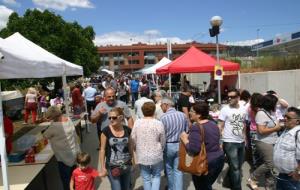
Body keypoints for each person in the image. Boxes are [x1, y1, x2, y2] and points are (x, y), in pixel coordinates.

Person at [180, 102, 224, 190]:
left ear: (199, 115)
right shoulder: (213, 124)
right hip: (219, 159)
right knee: (207, 185)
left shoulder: (196, 127)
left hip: (205, 162)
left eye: (192, 111)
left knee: (202, 187)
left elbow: (193, 149)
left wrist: (184, 139)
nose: (189, 112)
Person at [247, 94, 283, 190]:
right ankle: (252, 178)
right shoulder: (261, 113)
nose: (276, 105)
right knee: (270, 163)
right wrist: (276, 128)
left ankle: (269, 185)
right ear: (270, 103)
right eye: (275, 103)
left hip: (272, 140)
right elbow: (261, 130)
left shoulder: (270, 112)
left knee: (271, 164)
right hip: (264, 141)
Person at [43, 106, 81, 190]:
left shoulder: (54, 126)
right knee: (74, 178)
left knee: (66, 181)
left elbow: (45, 135)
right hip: (74, 153)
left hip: (63, 157)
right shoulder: (68, 120)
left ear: (52, 117)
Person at [131, 102, 166, 190]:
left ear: (142, 111)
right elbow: (163, 139)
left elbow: (133, 137)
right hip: (156, 153)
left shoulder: (137, 123)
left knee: (146, 177)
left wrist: (135, 148)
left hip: (142, 153)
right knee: (156, 176)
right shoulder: (158, 123)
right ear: (154, 110)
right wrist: (161, 148)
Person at [218, 88, 247, 190]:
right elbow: (220, 125)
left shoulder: (243, 109)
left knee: (238, 166)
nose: (229, 98)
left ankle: (229, 182)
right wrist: (220, 142)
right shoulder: (225, 109)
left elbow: (243, 123)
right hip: (229, 141)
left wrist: (245, 137)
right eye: (228, 97)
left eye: (232, 97)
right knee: (235, 167)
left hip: (241, 141)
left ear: (238, 98)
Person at [99, 107, 133, 190]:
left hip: (126, 165)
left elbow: (130, 146)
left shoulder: (128, 130)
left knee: (126, 187)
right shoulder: (105, 131)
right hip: (112, 166)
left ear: (121, 117)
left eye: (113, 117)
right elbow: (102, 149)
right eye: (109, 117)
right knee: (117, 188)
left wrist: (133, 161)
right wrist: (102, 167)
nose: (111, 119)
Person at [160, 97, 189, 190]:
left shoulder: (163, 118)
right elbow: (186, 131)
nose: (160, 107)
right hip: (180, 144)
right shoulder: (183, 115)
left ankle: (171, 188)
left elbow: (161, 134)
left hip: (168, 145)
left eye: (161, 105)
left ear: (166, 105)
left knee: (169, 169)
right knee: (178, 170)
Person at [273, 107, 300, 190]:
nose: (285, 119)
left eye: (288, 118)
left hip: (292, 177)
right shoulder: (286, 130)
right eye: (285, 116)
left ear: (297, 121)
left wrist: (298, 172)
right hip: (282, 174)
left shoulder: (298, 133)